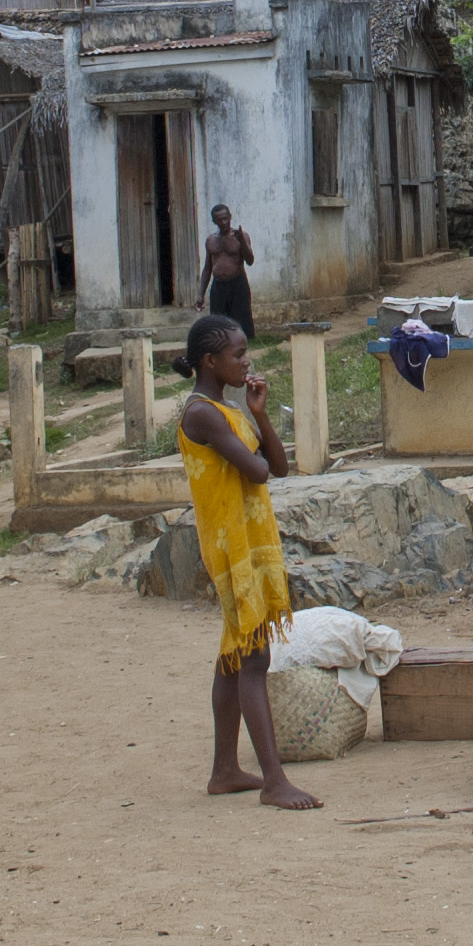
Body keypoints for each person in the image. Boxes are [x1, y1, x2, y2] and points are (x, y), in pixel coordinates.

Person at [173, 312, 319, 810]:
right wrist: (249, 427)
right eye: (238, 355)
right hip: (231, 547)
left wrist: (259, 412)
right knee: (254, 657)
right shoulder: (203, 414)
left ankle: (224, 771)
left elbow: (277, 465)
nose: (246, 361)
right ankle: (274, 780)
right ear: (210, 361)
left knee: (234, 656)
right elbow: (257, 470)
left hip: (248, 542)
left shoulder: (226, 408)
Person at [202, 204, 254, 338]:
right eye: (219, 220)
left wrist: (241, 240)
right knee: (218, 325)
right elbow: (207, 268)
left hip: (238, 283)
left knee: (242, 324)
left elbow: (250, 261)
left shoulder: (241, 236)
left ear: (230, 217)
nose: (223, 222)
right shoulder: (211, 240)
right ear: (214, 221)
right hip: (218, 285)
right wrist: (200, 294)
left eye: (225, 218)